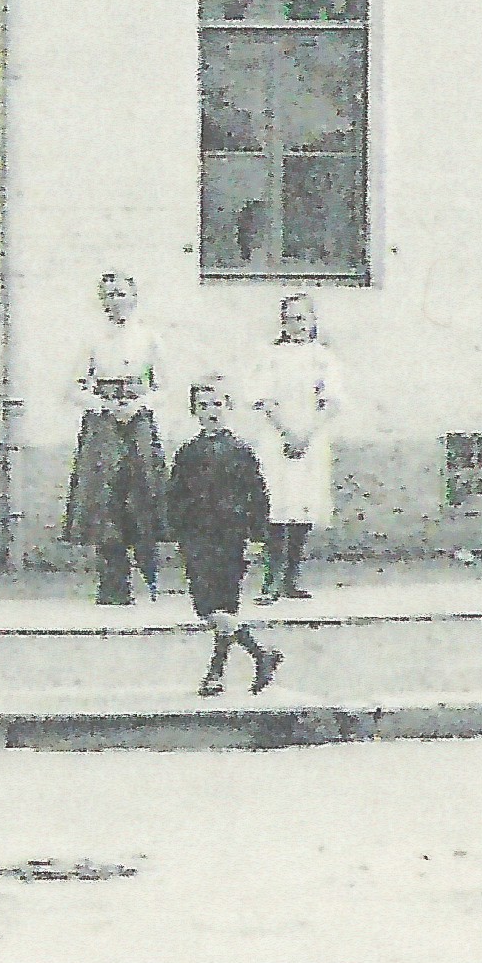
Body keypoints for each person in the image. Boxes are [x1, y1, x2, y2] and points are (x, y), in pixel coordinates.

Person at [165, 377, 283, 698]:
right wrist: (177, 530)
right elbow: (174, 495)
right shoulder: (187, 453)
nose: (211, 411)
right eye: (203, 405)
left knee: (225, 606)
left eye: (217, 404)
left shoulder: (241, 452)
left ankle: (216, 673)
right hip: (197, 538)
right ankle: (260, 652)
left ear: (229, 407)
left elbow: (258, 497)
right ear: (194, 411)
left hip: (231, 536)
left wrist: (258, 537)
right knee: (206, 607)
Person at [59, 269, 169, 604]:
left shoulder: (149, 338)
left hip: (138, 422)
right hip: (104, 424)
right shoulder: (92, 338)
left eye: (121, 294)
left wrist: (138, 405)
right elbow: (72, 387)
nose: (115, 302)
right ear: (101, 301)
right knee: (104, 498)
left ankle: (148, 578)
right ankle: (112, 582)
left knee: (141, 493)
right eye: (108, 295)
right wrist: (103, 406)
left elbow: (165, 386)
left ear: (134, 297)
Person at [245, 291, 344, 602]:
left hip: (311, 438)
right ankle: (270, 581)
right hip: (277, 437)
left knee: (303, 506)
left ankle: (290, 578)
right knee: (277, 507)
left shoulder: (323, 358)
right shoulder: (270, 356)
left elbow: (331, 402)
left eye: (301, 318)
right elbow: (262, 398)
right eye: (288, 319)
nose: (295, 325)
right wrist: (287, 432)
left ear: (313, 321)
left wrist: (306, 434)